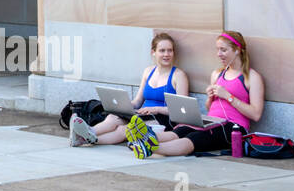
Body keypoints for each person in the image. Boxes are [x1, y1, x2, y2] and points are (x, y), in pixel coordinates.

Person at [126, 30, 263, 159]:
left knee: (195, 138)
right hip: (212, 121)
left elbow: (256, 114)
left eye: (223, 50)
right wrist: (210, 98)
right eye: (217, 50)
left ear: (237, 50)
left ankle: (150, 147)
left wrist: (228, 96)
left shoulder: (251, 77)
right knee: (181, 130)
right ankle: (143, 138)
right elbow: (210, 108)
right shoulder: (217, 74)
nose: (219, 54)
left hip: (234, 127)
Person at [69, 33, 188, 147]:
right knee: (113, 118)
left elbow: (182, 111)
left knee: (124, 129)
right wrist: (123, 107)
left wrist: (156, 109)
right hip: (142, 113)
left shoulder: (178, 75)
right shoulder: (148, 72)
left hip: (161, 119)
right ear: (153, 52)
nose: (166, 54)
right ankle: (88, 131)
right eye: (162, 51)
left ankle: (86, 139)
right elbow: (137, 101)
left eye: (170, 50)